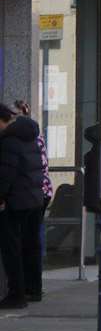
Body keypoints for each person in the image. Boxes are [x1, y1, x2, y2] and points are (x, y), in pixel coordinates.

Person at [0, 102, 48, 308]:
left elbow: (5, 174)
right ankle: (33, 289)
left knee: (12, 248)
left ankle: (16, 294)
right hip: (34, 197)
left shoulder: (9, 141)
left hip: (16, 201)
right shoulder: (29, 136)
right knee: (30, 245)